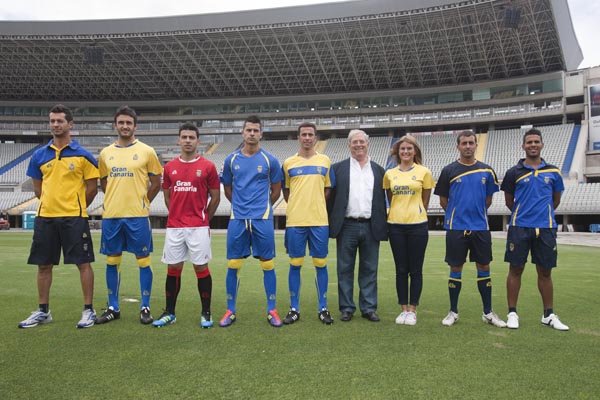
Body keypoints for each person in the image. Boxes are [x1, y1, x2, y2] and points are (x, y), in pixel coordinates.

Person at [19, 104, 99, 329]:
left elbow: (92, 188)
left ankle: (88, 310)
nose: (55, 124)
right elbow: (38, 189)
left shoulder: (83, 155)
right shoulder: (39, 155)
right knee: (43, 265)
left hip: (74, 217)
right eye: (52, 121)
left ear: (70, 124)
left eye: (60, 121)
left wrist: (76, 206)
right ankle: (43, 311)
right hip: (46, 217)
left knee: (83, 263)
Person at [96, 106, 163, 325]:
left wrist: (143, 201)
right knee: (112, 260)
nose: (125, 126)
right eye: (121, 122)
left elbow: (156, 183)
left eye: (129, 123)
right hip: (112, 215)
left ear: (135, 126)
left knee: (143, 260)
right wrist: (115, 198)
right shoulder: (105, 153)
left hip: (137, 216)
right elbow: (104, 182)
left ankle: (145, 306)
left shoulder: (147, 151)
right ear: (115, 125)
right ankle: (113, 307)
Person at [434, 130, 506, 328]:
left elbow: (488, 199)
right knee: (455, 267)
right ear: (458, 146)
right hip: (456, 227)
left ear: (475, 145)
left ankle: (488, 312)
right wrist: (456, 215)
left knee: (484, 267)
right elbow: (443, 200)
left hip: (480, 228)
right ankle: (453, 312)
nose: (467, 146)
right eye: (464, 143)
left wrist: (475, 214)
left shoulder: (487, 171)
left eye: (471, 143)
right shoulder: (448, 170)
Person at [152, 123, 220, 328]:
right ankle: (169, 312)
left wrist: (203, 218)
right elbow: (167, 196)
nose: (188, 140)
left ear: (198, 141)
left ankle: (206, 312)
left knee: (201, 267)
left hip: (198, 226)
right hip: (174, 226)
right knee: (173, 268)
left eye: (192, 137)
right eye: (184, 137)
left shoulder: (208, 166)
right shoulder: (170, 167)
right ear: (178, 140)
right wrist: (176, 214)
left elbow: (215, 197)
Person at [218, 115, 284, 328]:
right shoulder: (231, 160)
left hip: (262, 218)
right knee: (234, 263)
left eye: (256, 130)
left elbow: (276, 190)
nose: (252, 134)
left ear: (261, 134)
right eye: (249, 130)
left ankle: (272, 310)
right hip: (238, 217)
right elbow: (228, 189)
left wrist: (261, 207)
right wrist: (240, 206)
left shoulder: (270, 160)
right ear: (242, 133)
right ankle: (230, 310)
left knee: (267, 263)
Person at [501, 129, 569, 330]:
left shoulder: (553, 172)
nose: (533, 145)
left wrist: (540, 216)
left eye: (536, 142)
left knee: (545, 271)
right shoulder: (514, 172)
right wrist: (524, 215)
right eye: (529, 142)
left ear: (542, 145)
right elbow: (509, 201)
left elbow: (555, 200)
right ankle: (512, 313)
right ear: (523, 146)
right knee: (516, 268)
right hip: (519, 227)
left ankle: (548, 314)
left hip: (546, 227)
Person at [329, 129, 387, 322]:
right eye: (355, 142)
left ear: (367, 144)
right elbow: (331, 199)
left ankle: (369, 307)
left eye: (362, 141)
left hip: (371, 225)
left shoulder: (378, 170)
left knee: (369, 268)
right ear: (349, 145)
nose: (358, 145)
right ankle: (346, 307)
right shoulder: (337, 169)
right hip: (347, 225)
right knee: (344, 268)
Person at [282, 122, 335, 325]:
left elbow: (328, 189)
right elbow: (287, 191)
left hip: (319, 220)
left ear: (315, 138)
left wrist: (315, 204)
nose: (306, 137)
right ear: (298, 137)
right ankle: (294, 309)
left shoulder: (325, 161)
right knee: (295, 264)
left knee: (320, 264)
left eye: (310, 134)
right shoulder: (288, 163)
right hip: (295, 221)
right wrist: (298, 205)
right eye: (303, 134)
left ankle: (323, 308)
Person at [384, 135, 434, 326]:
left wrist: (417, 213)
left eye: (409, 149)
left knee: (416, 269)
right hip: (395, 225)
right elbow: (390, 197)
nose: (405, 152)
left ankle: (413, 310)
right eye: (402, 149)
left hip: (417, 226)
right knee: (401, 269)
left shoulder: (424, 172)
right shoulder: (390, 174)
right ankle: (403, 309)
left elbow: (425, 200)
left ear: (415, 151)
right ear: (397, 152)